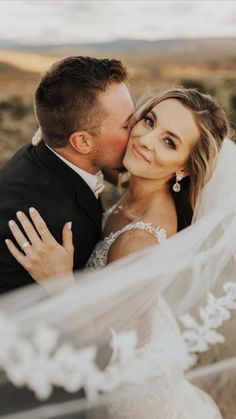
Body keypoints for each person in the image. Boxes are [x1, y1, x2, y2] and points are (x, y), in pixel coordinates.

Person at [3, 88, 234, 418]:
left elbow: (106, 345)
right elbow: (101, 158)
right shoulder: (142, 178)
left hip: (129, 389)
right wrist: (60, 139)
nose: (146, 140)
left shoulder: (140, 240)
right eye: (149, 121)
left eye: (170, 142)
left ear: (184, 169)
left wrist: (60, 282)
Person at [0, 56, 134, 293]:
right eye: (126, 125)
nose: (138, 131)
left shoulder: (51, 146)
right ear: (82, 141)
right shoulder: (47, 225)